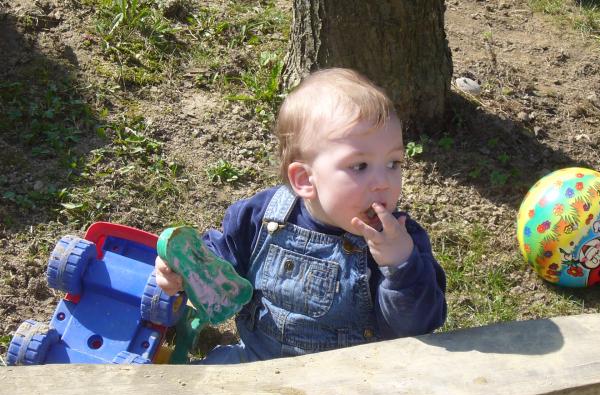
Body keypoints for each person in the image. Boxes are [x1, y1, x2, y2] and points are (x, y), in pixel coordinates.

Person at [155, 68, 447, 364]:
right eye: (360, 166)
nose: (383, 182)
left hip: (353, 380)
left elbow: (417, 328)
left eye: (393, 163)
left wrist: (401, 266)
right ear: (305, 179)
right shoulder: (262, 217)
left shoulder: (402, 241)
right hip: (256, 364)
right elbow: (220, 264)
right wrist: (184, 271)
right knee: (199, 382)